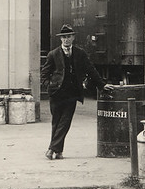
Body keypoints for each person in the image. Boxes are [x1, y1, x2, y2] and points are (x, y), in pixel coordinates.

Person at [42, 24, 114, 160]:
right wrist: (49, 86)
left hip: (72, 94)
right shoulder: (53, 54)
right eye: (64, 37)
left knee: (65, 122)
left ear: (73, 38)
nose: (66, 40)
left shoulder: (80, 53)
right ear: (60, 39)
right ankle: (58, 151)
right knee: (56, 122)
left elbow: (91, 70)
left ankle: (52, 148)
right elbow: (44, 74)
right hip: (56, 94)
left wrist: (102, 85)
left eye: (68, 37)